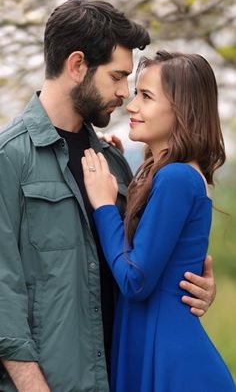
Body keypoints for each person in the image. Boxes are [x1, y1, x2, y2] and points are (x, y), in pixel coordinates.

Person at [0, 0, 215, 392]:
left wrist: (192, 287)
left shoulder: (115, 163)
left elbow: (136, 264)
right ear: (78, 65)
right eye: (117, 77)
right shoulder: (8, 158)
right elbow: (2, 292)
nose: (124, 94)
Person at [82, 51, 236, 391]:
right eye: (136, 94)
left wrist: (104, 205)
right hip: (154, 345)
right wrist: (118, 166)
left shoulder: (177, 178)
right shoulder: (165, 176)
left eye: (146, 96)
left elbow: (135, 279)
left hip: (170, 361)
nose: (132, 106)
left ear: (182, 109)